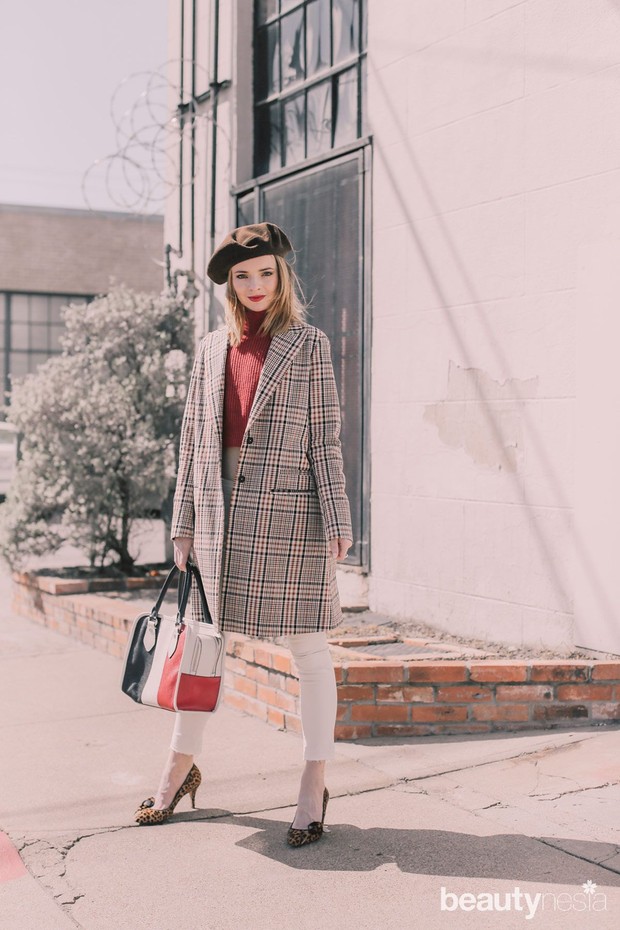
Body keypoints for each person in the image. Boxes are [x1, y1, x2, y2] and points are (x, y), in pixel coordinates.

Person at [134, 222, 353, 846]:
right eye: (242, 276)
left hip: (290, 514)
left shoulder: (308, 345)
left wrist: (337, 516)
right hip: (217, 511)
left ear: (282, 274)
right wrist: (183, 524)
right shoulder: (209, 348)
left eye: (266, 273)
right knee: (202, 646)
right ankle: (180, 764)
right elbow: (191, 442)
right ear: (229, 283)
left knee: (309, 651)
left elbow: (324, 438)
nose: (256, 286)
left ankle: (313, 779)